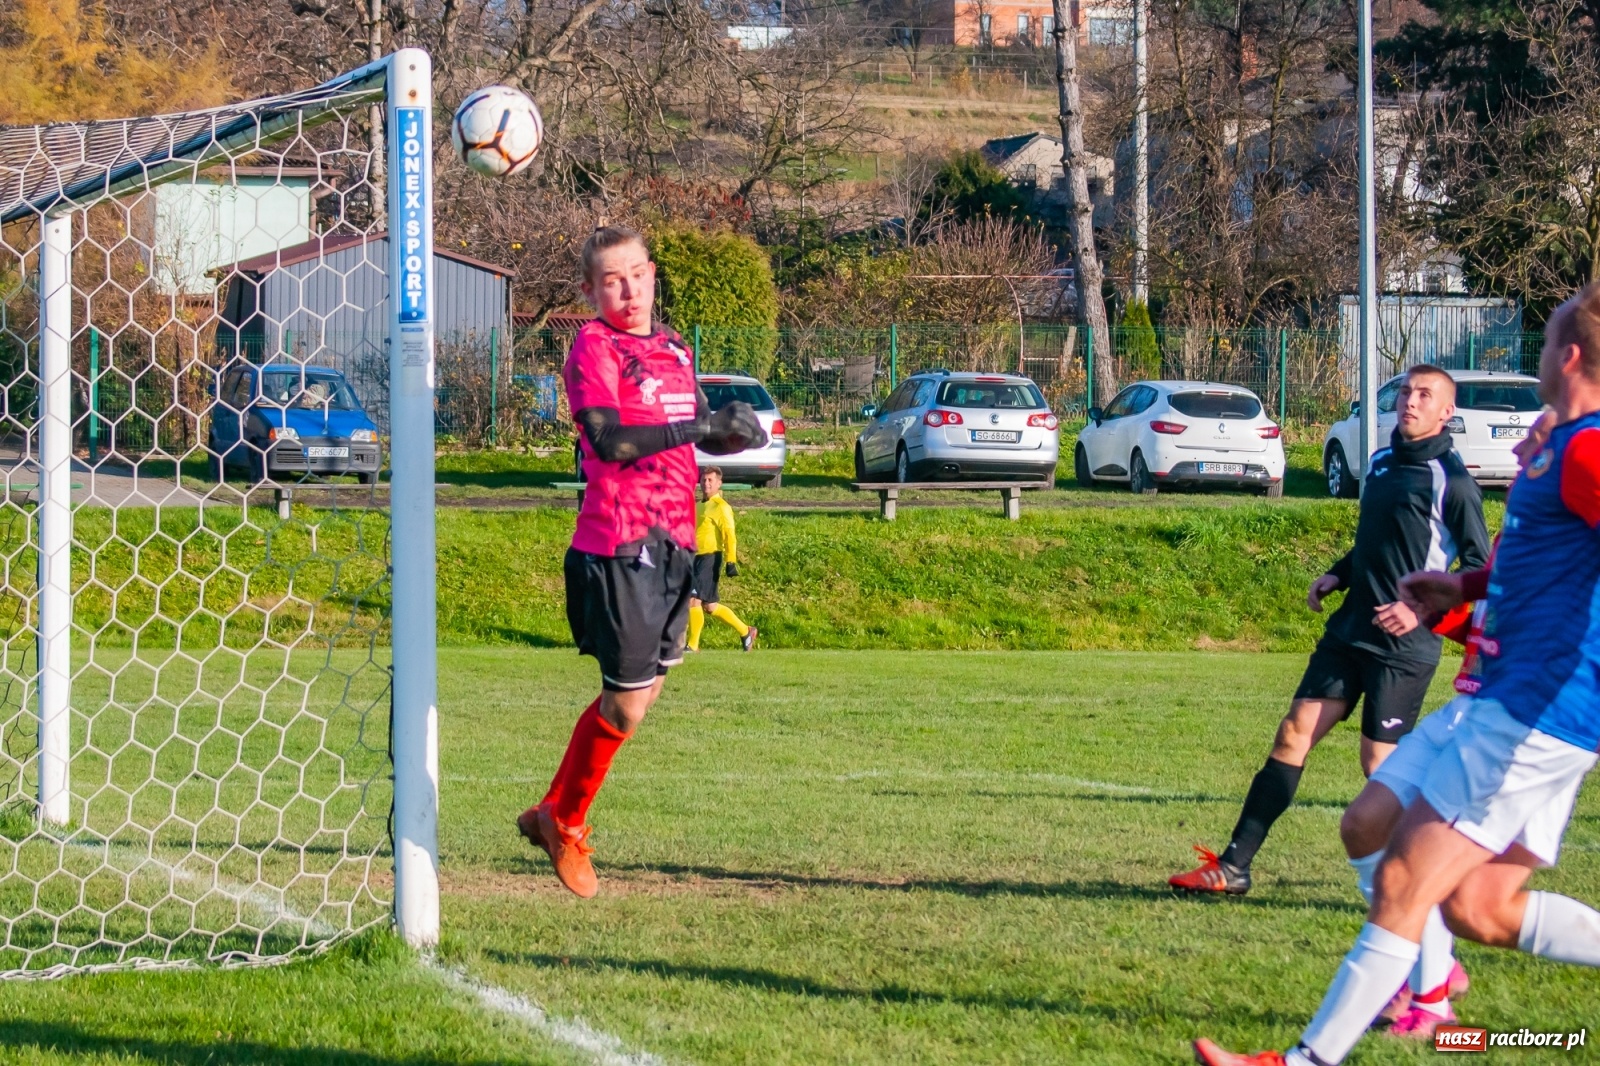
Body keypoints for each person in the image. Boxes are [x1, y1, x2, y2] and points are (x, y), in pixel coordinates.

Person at [1194, 286, 1600, 1066]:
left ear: (1570, 356)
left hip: (1539, 710)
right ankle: (1426, 999)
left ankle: (1309, 1059)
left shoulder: (1584, 449)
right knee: (1470, 901)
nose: (1538, 358)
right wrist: (1462, 589)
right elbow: (1535, 563)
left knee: (1408, 876)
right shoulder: (1560, 443)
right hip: (1494, 700)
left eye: (1547, 343)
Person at [1170, 364, 1490, 896]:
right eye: (1406, 392)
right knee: (1293, 733)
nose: (1410, 402)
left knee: (1379, 765)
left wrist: (1420, 612)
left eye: (1424, 395)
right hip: (1350, 630)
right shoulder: (1382, 462)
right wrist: (1338, 575)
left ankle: (1441, 872)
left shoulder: (1453, 482)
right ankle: (1233, 866)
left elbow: (1478, 568)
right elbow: (1374, 541)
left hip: (1403, 648)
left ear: (1446, 411)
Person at [516, 225, 765, 899]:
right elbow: (608, 440)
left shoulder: (675, 347)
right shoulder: (593, 347)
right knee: (625, 707)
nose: (627, 290)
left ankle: (551, 812)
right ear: (589, 291)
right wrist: (702, 428)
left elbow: (698, 431)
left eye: (636, 275)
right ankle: (565, 822)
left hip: (676, 542)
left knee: (640, 698)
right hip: (619, 545)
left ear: (653, 274)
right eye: (611, 281)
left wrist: (735, 434)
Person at [686, 466, 757, 653]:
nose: (706, 483)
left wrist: (731, 561)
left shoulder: (721, 507)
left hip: (710, 558)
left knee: (693, 600)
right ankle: (746, 631)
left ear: (719, 483)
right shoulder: (698, 505)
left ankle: (692, 645)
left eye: (710, 480)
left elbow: (729, 535)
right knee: (710, 606)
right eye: (704, 480)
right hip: (695, 557)